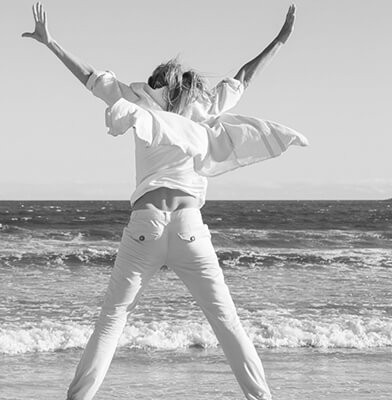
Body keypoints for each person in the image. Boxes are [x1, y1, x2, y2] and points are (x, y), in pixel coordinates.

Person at [23, 3, 305, 400]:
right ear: (187, 86)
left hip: (146, 225)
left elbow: (90, 77)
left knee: (112, 321)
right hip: (190, 227)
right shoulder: (202, 108)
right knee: (227, 323)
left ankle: (78, 399)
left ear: (156, 83)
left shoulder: (138, 101)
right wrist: (279, 40)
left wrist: (51, 42)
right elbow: (244, 76)